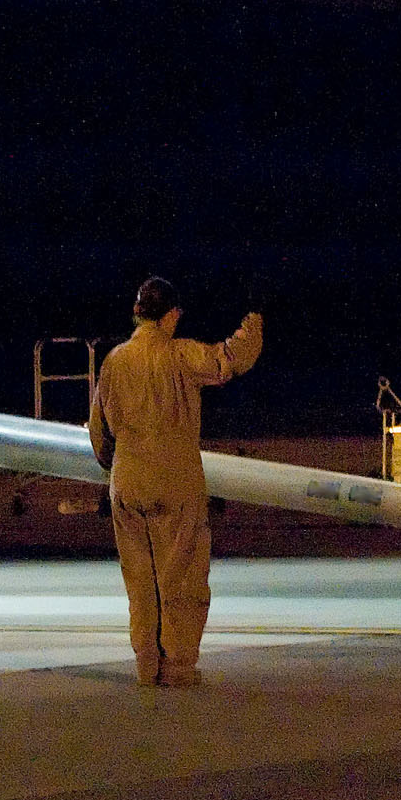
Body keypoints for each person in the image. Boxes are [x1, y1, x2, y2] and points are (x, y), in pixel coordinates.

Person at [86, 277, 260, 688]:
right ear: (172, 314)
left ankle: (146, 663)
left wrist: (115, 465)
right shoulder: (181, 354)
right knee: (180, 574)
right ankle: (178, 665)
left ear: (136, 313)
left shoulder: (114, 361)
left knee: (140, 579)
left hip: (127, 479)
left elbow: (98, 428)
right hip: (174, 477)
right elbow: (230, 360)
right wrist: (254, 322)